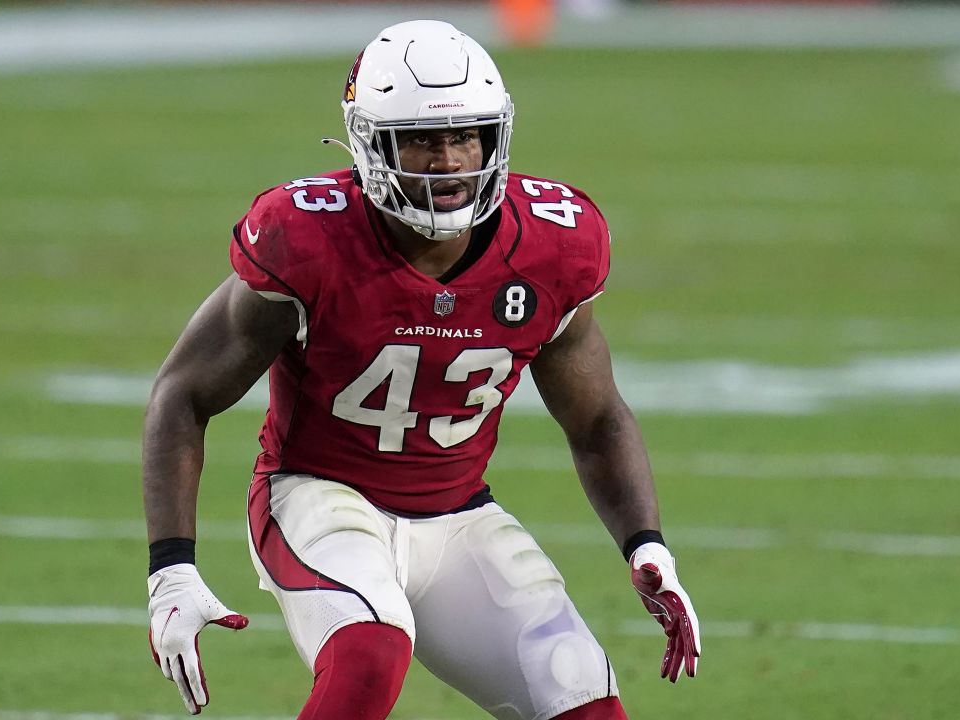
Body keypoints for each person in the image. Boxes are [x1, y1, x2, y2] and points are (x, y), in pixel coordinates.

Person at [141, 20, 700, 720]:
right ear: (372, 144)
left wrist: (647, 545)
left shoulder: (554, 244)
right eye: (423, 141)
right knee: (371, 652)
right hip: (318, 498)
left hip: (459, 517)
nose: (449, 161)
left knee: (582, 695)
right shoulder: (307, 235)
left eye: (466, 136)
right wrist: (171, 567)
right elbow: (182, 393)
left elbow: (597, 418)